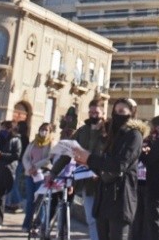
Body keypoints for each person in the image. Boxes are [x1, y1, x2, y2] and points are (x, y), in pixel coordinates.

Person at [72, 98, 147, 240]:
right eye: (115, 111)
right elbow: (105, 162)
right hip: (104, 197)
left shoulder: (134, 135)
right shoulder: (113, 135)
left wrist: (89, 158)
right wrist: (88, 163)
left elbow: (120, 164)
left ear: (131, 113)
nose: (117, 115)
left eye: (121, 111)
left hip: (120, 199)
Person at [51, 98, 106, 240]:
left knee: (104, 221)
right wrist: (53, 172)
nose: (93, 114)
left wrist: (103, 172)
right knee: (91, 219)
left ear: (103, 112)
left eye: (97, 112)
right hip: (87, 183)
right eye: (91, 112)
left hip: (104, 182)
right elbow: (66, 154)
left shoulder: (109, 131)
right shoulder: (82, 131)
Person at [21, 122, 54, 232]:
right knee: (30, 200)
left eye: (46, 130)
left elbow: (49, 158)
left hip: (42, 175)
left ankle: (39, 225)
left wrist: (36, 167)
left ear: (50, 132)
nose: (43, 131)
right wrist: (29, 167)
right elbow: (25, 157)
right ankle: (27, 224)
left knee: (40, 200)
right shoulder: (33, 143)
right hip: (30, 175)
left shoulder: (51, 144)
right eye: (42, 129)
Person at [5, 120, 29, 213]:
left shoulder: (22, 138)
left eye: (18, 125)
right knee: (12, 182)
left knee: (13, 183)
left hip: (18, 162)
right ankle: (12, 203)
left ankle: (18, 202)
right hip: (19, 162)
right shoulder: (23, 137)